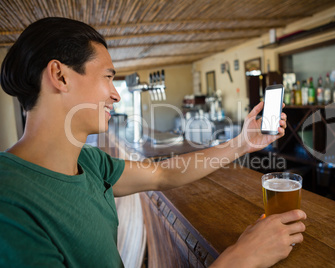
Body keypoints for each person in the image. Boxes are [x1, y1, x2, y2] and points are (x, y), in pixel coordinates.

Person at [0, 17, 306, 267]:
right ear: (60, 76)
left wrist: (242, 142)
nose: (116, 94)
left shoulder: (88, 162)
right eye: (108, 77)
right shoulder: (9, 202)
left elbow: (163, 174)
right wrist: (241, 258)